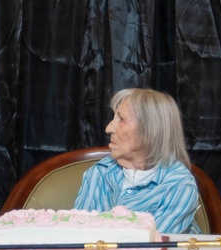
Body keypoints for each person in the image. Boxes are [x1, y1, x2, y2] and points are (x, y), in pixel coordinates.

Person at [74, 88, 199, 235]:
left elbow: (147, 248)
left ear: (150, 131)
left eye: (121, 119)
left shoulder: (179, 186)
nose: (108, 128)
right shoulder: (99, 172)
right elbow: (80, 237)